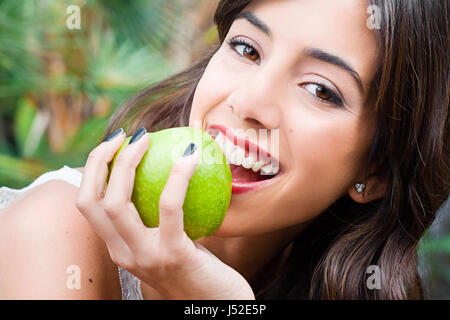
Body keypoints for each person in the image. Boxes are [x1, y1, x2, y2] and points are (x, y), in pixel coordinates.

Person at [0, 0, 448, 299]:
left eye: (319, 90)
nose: (249, 102)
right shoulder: (57, 227)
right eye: (247, 49)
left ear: (377, 171)